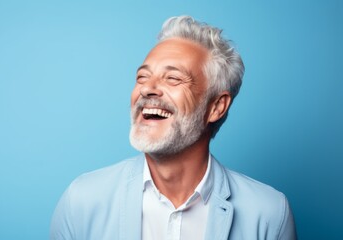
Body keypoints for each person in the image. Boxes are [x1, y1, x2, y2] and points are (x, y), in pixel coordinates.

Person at [50, 16, 297, 240]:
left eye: (173, 78)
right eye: (142, 77)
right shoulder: (81, 200)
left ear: (216, 107)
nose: (147, 89)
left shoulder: (270, 214)